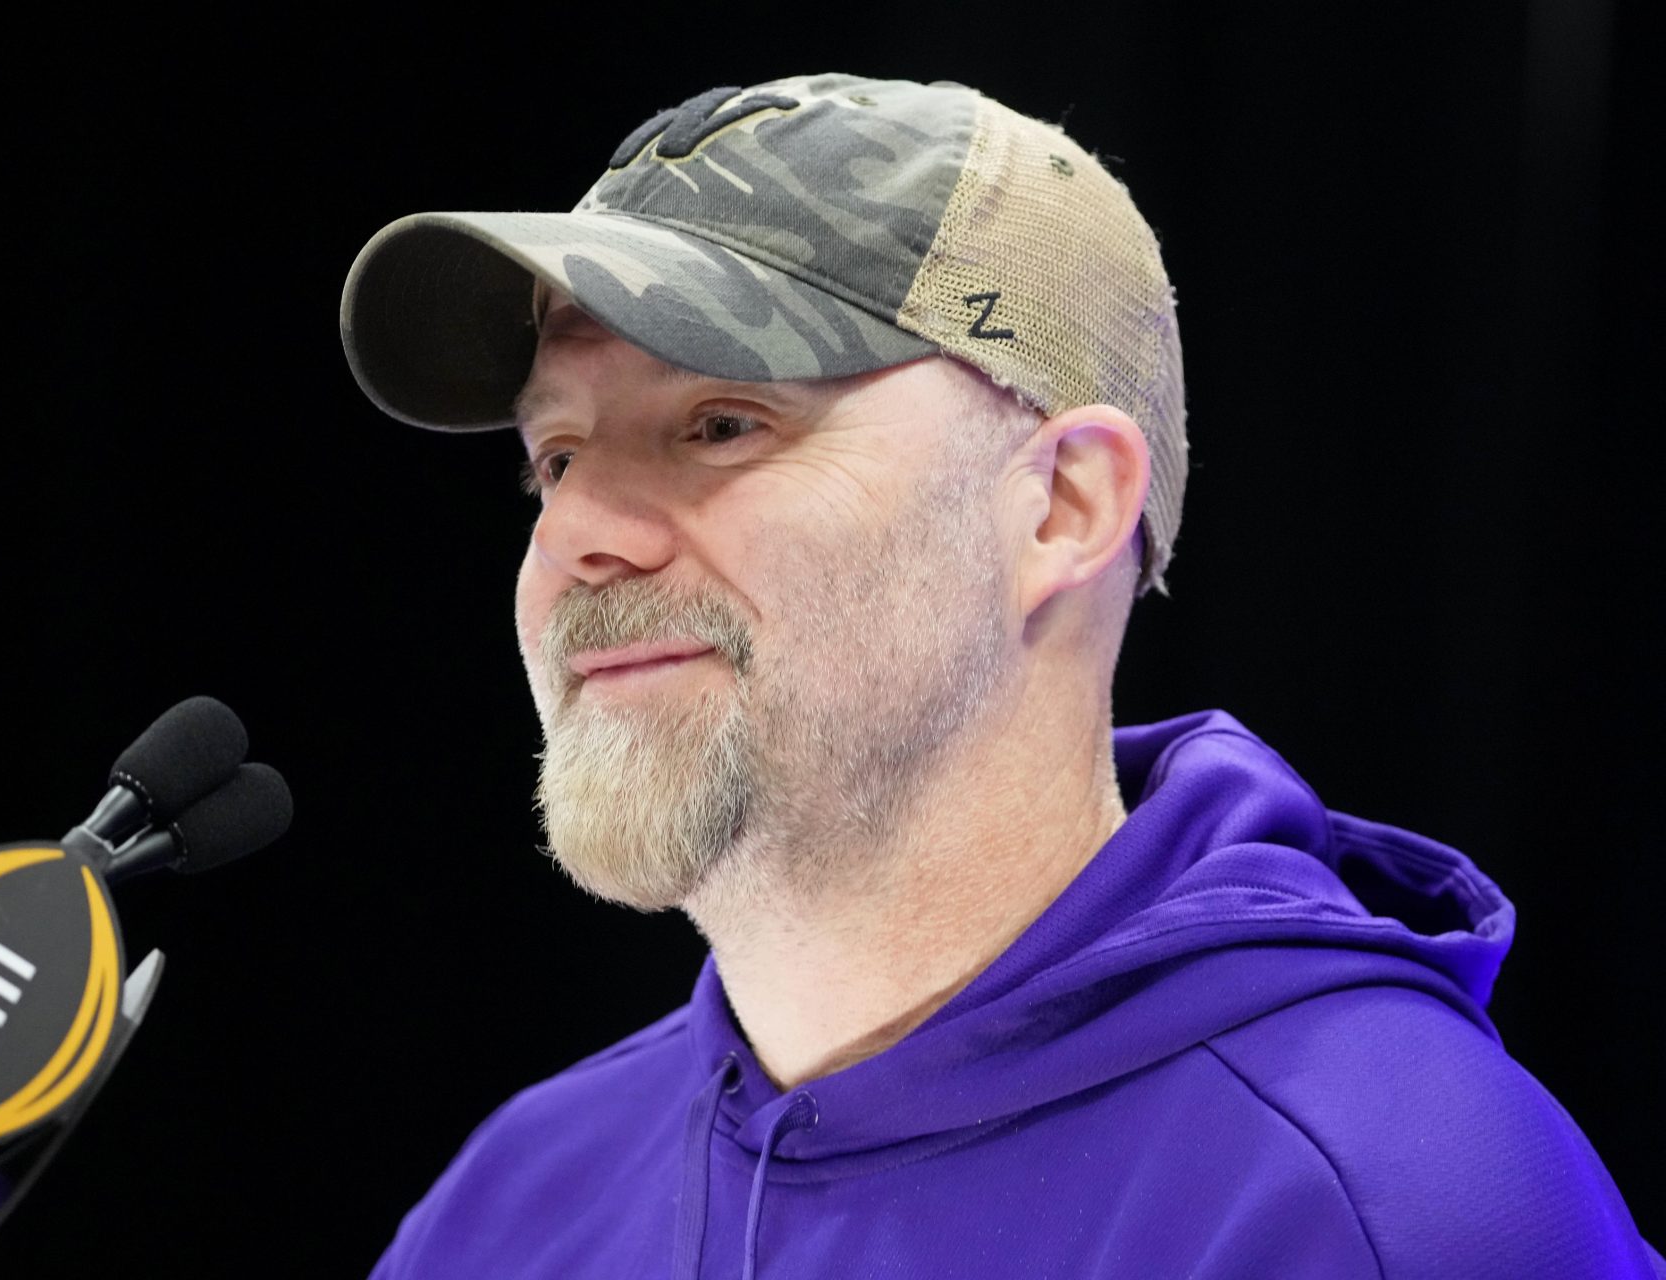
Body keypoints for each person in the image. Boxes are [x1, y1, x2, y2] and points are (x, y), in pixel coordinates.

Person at [339, 73, 1663, 1279]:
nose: (575, 536)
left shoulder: (1392, 1206)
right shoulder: (507, 1211)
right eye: (556, 458)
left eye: (721, 423)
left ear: (1062, 509)